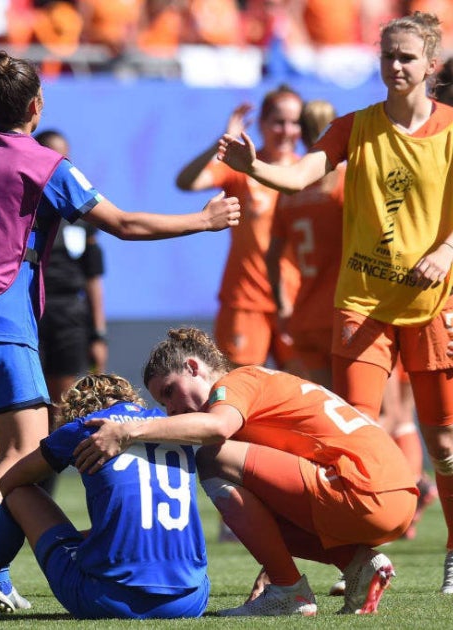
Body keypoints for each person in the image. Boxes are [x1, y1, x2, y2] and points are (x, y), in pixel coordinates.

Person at [0, 50, 239, 613]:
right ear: (36, 105)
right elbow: (122, 224)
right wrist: (202, 221)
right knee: (22, 455)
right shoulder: (42, 163)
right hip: (0, 322)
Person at [216, 11, 453, 595]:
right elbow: (299, 176)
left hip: (431, 303)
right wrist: (256, 168)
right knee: (353, 437)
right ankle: (359, 559)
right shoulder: (356, 126)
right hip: (362, 305)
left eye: (406, 57)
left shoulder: (452, 127)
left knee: (444, 443)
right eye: (387, 56)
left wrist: (447, 253)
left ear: (431, 65)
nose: (394, 66)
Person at [73, 328, 418, 616]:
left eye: (169, 392)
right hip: (393, 497)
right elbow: (273, 496)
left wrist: (129, 430)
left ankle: (290, 592)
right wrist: (271, 567)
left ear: (194, 367)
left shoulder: (235, 383)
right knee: (251, 496)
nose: (172, 409)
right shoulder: (257, 383)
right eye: (164, 404)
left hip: (359, 488)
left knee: (210, 458)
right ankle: (359, 564)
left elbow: (218, 428)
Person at [0, 374, 209, 619]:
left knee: (20, 494)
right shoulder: (169, 426)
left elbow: (11, 481)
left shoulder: (85, 426)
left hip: (109, 601)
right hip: (192, 600)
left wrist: (30, 536)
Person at [176, 85, 303, 369]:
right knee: (239, 390)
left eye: (294, 122)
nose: (286, 130)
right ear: (263, 124)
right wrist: (221, 143)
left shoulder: (307, 172)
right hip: (245, 299)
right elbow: (186, 181)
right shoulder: (242, 166)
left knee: (300, 392)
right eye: (278, 121)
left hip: (296, 301)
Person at [264, 98, 343, 389]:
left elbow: (271, 257)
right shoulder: (347, 182)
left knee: (333, 409)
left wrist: (283, 306)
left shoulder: (288, 192)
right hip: (347, 312)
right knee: (387, 414)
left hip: (306, 315)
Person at [34, 130, 107, 426]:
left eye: (64, 157)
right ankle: (28, 470)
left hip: (68, 317)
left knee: (62, 403)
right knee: (31, 400)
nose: (59, 164)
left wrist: (98, 334)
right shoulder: (20, 208)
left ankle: (49, 471)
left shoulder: (81, 212)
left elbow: (93, 278)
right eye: (51, 156)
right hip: (30, 311)